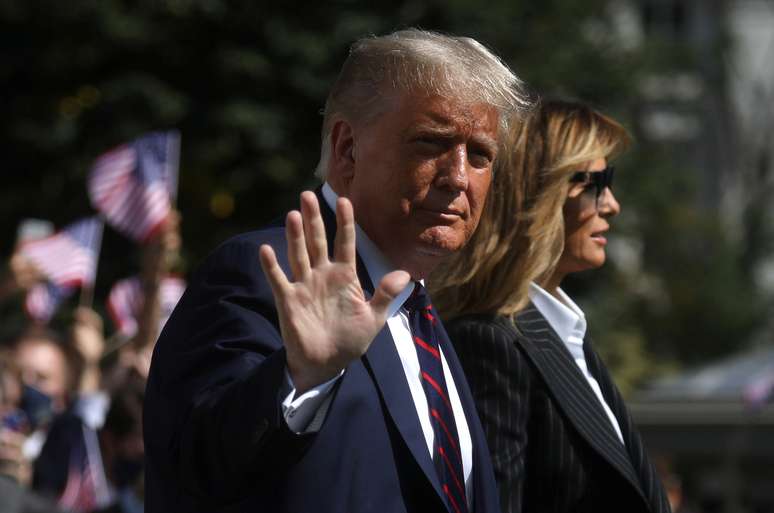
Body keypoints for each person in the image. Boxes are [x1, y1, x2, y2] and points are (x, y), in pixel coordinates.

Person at [144, 28, 530, 513]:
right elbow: (194, 465)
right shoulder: (264, 272)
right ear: (347, 148)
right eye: (432, 143)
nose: (458, 177)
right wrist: (299, 378)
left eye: (480, 155)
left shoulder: (420, 314)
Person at [430, 99, 671, 513]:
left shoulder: (566, 332)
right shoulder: (490, 342)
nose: (611, 204)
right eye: (596, 182)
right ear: (540, 193)